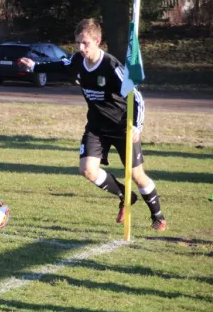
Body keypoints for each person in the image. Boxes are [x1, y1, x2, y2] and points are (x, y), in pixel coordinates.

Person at [18, 18, 167, 231]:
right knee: (87, 170)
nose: (80, 47)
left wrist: (137, 126)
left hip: (123, 128)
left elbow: (138, 98)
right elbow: (61, 66)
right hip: (96, 127)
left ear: (97, 41)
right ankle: (126, 195)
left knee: (137, 175)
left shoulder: (112, 67)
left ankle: (158, 215)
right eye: (78, 42)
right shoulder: (78, 61)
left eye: (85, 43)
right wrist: (35, 66)